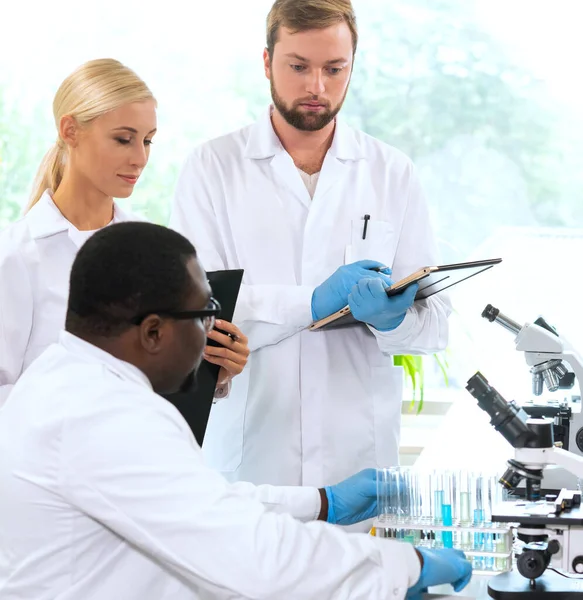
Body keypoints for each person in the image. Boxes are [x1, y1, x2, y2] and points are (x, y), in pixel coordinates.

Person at [0, 221, 471, 599]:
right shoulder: (104, 417)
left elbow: (193, 503)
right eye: (206, 314)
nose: (213, 332)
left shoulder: (66, 377)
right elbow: (254, 558)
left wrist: (322, 501)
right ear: (152, 333)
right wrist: (405, 567)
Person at [170, 0, 451, 490]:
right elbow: (200, 314)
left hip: (359, 461)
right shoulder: (212, 168)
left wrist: (395, 320)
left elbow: (436, 328)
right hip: (251, 463)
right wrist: (311, 302)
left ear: (352, 67)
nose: (316, 87)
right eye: (298, 66)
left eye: (333, 68)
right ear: (266, 62)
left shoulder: (392, 173)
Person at [0, 58, 248, 408]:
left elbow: (157, 387)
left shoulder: (151, 252)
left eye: (147, 141)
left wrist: (211, 373)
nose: (140, 158)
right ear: (70, 131)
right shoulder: (17, 256)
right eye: (123, 139)